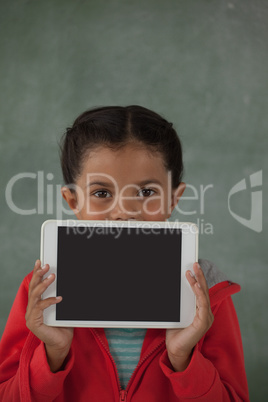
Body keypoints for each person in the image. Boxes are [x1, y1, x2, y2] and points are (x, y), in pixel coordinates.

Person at [0, 106, 249, 401]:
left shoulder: (206, 293)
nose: (125, 212)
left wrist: (183, 359)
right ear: (72, 201)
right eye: (102, 193)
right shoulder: (42, 291)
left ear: (173, 200)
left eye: (146, 192)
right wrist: (52, 356)